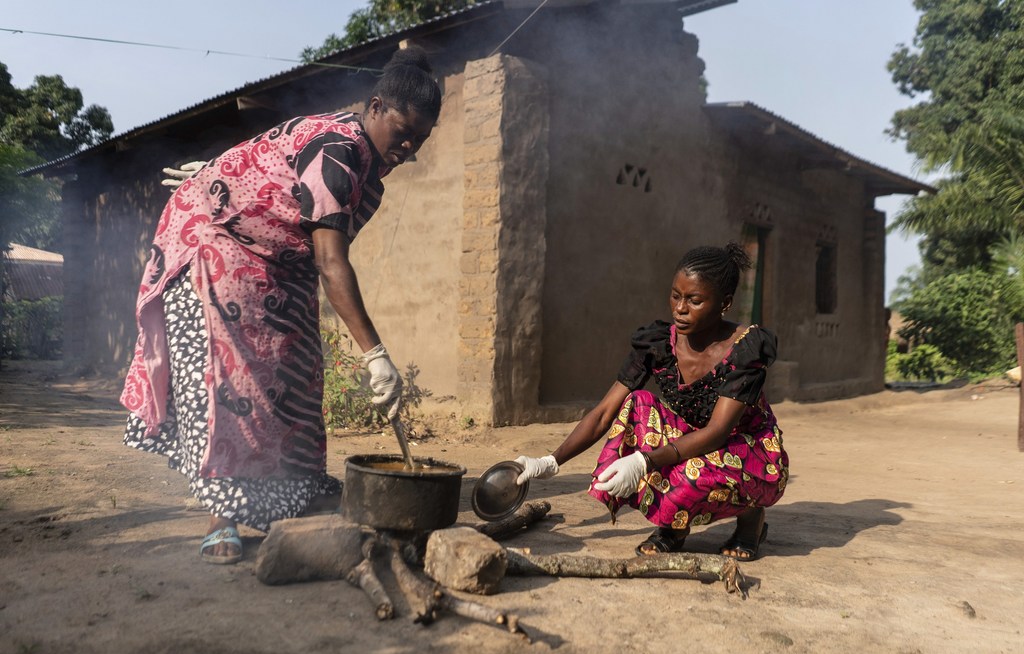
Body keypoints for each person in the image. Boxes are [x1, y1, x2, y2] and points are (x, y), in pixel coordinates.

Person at [120, 47, 441, 564]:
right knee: (230, 380)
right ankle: (221, 517)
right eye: (404, 132)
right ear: (376, 107)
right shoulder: (339, 149)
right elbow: (332, 263)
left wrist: (227, 174)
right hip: (215, 243)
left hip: (277, 261)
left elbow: (284, 186)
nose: (409, 147)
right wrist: (375, 354)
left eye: (419, 139)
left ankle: (297, 490)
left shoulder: (366, 169)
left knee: (299, 368)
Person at [512, 243, 788, 560]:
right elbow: (604, 412)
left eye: (694, 300)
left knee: (692, 474)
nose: (680, 308)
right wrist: (551, 461)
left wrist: (645, 461)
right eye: (675, 296)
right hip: (691, 439)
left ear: (724, 303)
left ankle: (751, 520)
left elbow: (716, 433)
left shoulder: (745, 349)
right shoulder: (658, 343)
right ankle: (673, 527)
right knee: (638, 403)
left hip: (746, 450)